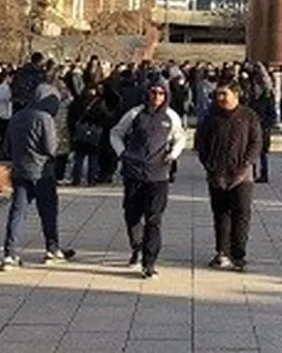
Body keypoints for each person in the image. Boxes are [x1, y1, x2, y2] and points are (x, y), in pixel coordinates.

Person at [110, 78, 187, 278]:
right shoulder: (135, 114)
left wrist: (173, 154)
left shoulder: (171, 116)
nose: (157, 96)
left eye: (161, 93)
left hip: (158, 174)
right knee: (132, 215)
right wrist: (122, 153)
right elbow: (116, 133)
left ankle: (149, 261)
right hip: (134, 172)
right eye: (153, 92)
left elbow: (180, 137)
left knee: (154, 218)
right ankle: (137, 247)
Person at [1, 84, 75, 269]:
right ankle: (52, 248)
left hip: (19, 171)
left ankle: (10, 254)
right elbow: (50, 148)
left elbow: (6, 147)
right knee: (48, 212)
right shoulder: (44, 118)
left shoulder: (17, 117)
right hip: (43, 172)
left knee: (17, 213)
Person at [195, 80, 262, 271]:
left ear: (236, 94)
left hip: (242, 175)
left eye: (224, 94)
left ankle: (238, 253)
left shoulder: (248, 116)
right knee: (220, 214)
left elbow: (256, 142)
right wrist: (208, 164)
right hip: (217, 173)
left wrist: (246, 163)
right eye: (218, 94)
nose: (220, 98)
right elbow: (201, 142)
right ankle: (221, 252)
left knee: (241, 214)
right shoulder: (211, 117)